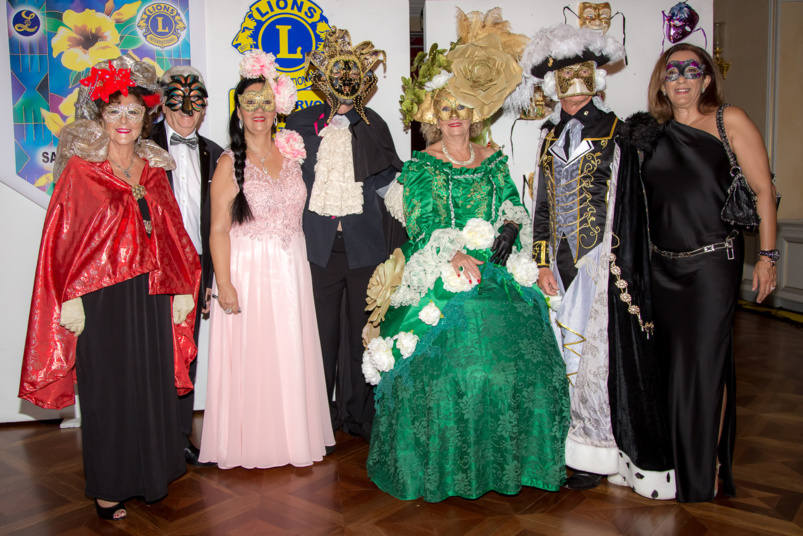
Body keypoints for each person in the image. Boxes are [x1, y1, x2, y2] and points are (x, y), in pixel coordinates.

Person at [362, 8, 569, 502]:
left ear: (474, 116)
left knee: (526, 348)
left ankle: (516, 457)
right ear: (435, 115)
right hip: (442, 262)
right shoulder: (420, 167)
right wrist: (455, 253)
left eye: (463, 109)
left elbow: (511, 204)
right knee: (460, 354)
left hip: (497, 263)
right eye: (446, 108)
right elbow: (426, 220)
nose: (455, 117)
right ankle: (449, 462)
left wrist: (510, 228)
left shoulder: (494, 159)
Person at [19, 55, 201, 520]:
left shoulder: (155, 169)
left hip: (153, 294)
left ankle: (152, 474)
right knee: (108, 391)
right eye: (114, 110)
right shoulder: (81, 169)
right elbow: (61, 240)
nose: (124, 120)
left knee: (152, 385)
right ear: (99, 114)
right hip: (102, 300)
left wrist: (182, 287)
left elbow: (174, 234)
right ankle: (109, 486)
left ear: (147, 118)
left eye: (134, 112)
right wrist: (70, 297)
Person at [505, 24, 675, 497]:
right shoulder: (548, 135)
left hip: (600, 267)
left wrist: (611, 265)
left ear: (595, 80)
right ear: (551, 86)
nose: (573, 92)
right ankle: (570, 450)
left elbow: (632, 209)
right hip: (557, 266)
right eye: (563, 81)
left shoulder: (619, 133)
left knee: (597, 362)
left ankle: (599, 450)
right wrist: (540, 262)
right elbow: (540, 205)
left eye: (580, 79)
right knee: (564, 361)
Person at [640, 43, 777, 502]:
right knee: (672, 370)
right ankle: (679, 460)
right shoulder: (654, 135)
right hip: (663, 267)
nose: (681, 79)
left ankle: (707, 466)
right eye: (671, 72)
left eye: (691, 70)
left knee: (704, 366)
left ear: (706, 79)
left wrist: (769, 257)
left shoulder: (728, 121)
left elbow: (763, 191)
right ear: (662, 82)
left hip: (713, 265)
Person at [199, 50, 334, 468]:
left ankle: (294, 435)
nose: (258, 110)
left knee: (290, 352)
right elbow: (218, 228)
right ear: (238, 111)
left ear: (277, 108)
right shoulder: (228, 163)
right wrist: (224, 284)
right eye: (249, 103)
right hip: (249, 271)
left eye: (264, 102)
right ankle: (250, 442)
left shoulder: (292, 153)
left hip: (291, 268)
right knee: (253, 357)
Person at [284, 27, 403, 443]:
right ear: (324, 78)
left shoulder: (376, 125)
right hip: (316, 248)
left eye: (353, 78)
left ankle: (359, 415)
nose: (346, 84)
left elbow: (392, 187)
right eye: (340, 76)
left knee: (362, 336)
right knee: (319, 336)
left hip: (365, 247)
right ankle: (319, 417)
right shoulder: (298, 123)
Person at [151, 65, 224, 467]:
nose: (185, 109)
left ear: (204, 107)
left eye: (194, 101)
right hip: (152, 267)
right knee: (150, 352)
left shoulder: (215, 152)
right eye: (177, 100)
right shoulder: (142, 145)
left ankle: (180, 436)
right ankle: (150, 437)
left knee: (186, 354)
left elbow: (218, 223)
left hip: (195, 268)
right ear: (163, 103)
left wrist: (210, 278)